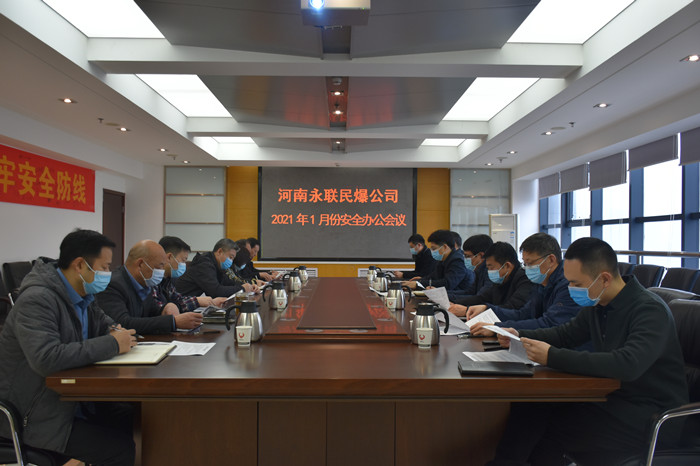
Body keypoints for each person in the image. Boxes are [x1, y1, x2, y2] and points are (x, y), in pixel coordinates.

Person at [487, 237, 688, 465]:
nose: (571, 289)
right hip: (611, 398)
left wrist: (551, 355)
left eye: (576, 283)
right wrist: (518, 334)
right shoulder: (599, 303)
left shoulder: (649, 310)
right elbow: (566, 334)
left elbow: (627, 364)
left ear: (604, 279)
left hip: (648, 415)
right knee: (533, 405)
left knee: (550, 428)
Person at [0, 229, 137, 465]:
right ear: (80, 265)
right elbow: (46, 358)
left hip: (72, 400)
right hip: (35, 415)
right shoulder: (37, 299)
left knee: (138, 420)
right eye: (104, 267)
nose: (108, 274)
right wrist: (113, 343)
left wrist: (115, 330)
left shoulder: (82, 294)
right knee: (120, 449)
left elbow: (104, 322)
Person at [467, 232, 580, 336]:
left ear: (551, 260)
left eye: (530, 263)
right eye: (525, 264)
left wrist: (498, 328)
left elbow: (549, 323)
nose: (527, 269)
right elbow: (524, 314)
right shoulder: (541, 281)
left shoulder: (569, 285)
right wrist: (487, 308)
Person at [98, 240, 204, 334]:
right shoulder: (113, 285)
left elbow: (152, 312)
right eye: (159, 266)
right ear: (140, 264)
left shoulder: (145, 283)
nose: (162, 271)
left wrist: (165, 309)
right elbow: (122, 323)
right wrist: (173, 322)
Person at [448, 241, 534, 317]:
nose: (489, 271)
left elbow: (512, 308)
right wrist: (455, 303)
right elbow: (482, 298)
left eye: (491, 267)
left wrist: (468, 310)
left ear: (507, 266)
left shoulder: (524, 279)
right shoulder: (500, 280)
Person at [157, 236, 228, 310]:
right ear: (169, 257)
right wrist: (197, 301)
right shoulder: (155, 281)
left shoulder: (169, 280)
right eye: (183, 260)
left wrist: (211, 302)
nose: (184, 264)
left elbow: (179, 300)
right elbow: (161, 310)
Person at [175, 238, 258, 298]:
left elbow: (227, 282)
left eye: (233, 258)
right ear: (220, 252)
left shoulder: (217, 265)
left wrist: (249, 286)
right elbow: (215, 291)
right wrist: (242, 288)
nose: (231, 261)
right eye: (230, 257)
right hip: (181, 304)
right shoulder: (204, 264)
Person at [402, 229, 474, 293]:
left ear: (445, 247)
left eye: (434, 248)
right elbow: (435, 276)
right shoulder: (443, 258)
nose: (432, 251)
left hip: (459, 298)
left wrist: (418, 284)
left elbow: (447, 283)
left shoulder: (457, 260)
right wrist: (421, 280)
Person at [448, 234, 494, 301]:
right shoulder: (478, 270)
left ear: (481, 255)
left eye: (468, 256)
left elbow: (480, 298)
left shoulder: (490, 272)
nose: (465, 259)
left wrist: (453, 299)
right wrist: (444, 294)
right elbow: (470, 292)